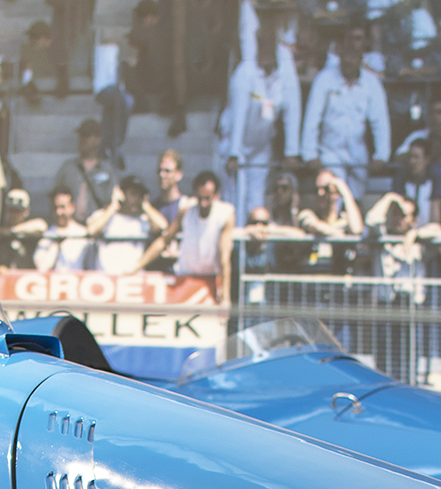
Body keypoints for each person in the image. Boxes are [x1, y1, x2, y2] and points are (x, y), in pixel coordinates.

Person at [300, 24, 389, 193]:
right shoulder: (324, 79)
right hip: (330, 153)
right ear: (340, 50)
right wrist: (310, 155)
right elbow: (312, 119)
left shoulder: (372, 83)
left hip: (358, 156)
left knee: (355, 202)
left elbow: (380, 121)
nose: (351, 52)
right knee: (336, 199)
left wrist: (381, 156)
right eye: (347, 43)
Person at [366, 192, 441, 382]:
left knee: (407, 364)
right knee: (383, 365)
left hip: (410, 308)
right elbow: (371, 220)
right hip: (386, 306)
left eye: (403, 214)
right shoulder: (381, 238)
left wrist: (414, 235)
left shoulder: (419, 244)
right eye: (394, 213)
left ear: (414, 219)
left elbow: (439, 231)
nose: (397, 218)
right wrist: (390, 198)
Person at [223, 34, 300, 218]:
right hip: (235, 142)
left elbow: (292, 110)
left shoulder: (285, 74)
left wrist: (292, 152)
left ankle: (256, 244)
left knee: (256, 197)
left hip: (261, 144)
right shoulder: (245, 72)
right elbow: (238, 115)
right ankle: (235, 244)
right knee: (236, 198)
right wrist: (234, 153)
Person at [159, 169, 234, 301]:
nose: (203, 203)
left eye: (207, 198)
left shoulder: (225, 214)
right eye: (200, 198)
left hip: (210, 281)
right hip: (184, 278)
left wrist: (226, 297)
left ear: (217, 195)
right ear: (194, 194)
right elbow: (164, 240)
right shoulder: (185, 210)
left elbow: (224, 258)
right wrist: (137, 266)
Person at [53, 120, 115, 217]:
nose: (82, 139)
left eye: (87, 135)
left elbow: (113, 200)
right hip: (72, 227)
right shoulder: (68, 167)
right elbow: (54, 197)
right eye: (81, 135)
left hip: (97, 226)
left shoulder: (107, 170)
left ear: (98, 139)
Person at [33, 189, 93, 271]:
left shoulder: (83, 234)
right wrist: (56, 243)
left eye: (62, 207)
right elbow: (42, 268)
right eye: (55, 207)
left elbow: (92, 269)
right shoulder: (46, 235)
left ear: (72, 207)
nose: (58, 212)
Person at [392, 138, 441, 229]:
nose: (412, 162)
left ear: (427, 159)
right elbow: (396, 214)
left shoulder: (435, 178)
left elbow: (436, 219)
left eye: (416, 157)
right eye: (410, 157)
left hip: (428, 234)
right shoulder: (401, 178)